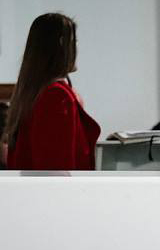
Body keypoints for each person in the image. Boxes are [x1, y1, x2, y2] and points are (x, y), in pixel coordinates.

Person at [2, 13, 100, 170]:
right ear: (62, 44)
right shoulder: (56, 96)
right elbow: (56, 169)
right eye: (74, 42)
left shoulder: (33, 92)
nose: (77, 48)